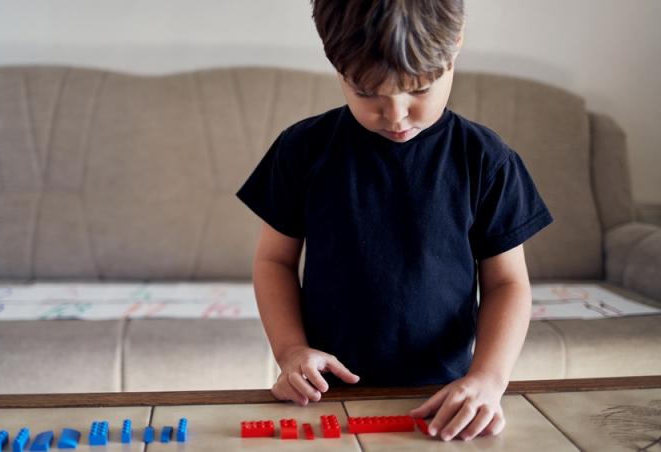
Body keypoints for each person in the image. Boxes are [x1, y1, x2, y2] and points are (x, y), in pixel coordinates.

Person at [236, 0, 554, 442]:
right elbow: (274, 262)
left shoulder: (486, 159)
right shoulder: (301, 150)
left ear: (455, 46)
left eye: (420, 90)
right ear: (335, 64)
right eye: (367, 93)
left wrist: (489, 379)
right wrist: (291, 352)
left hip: (444, 399)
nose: (396, 114)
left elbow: (507, 283)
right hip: (326, 395)